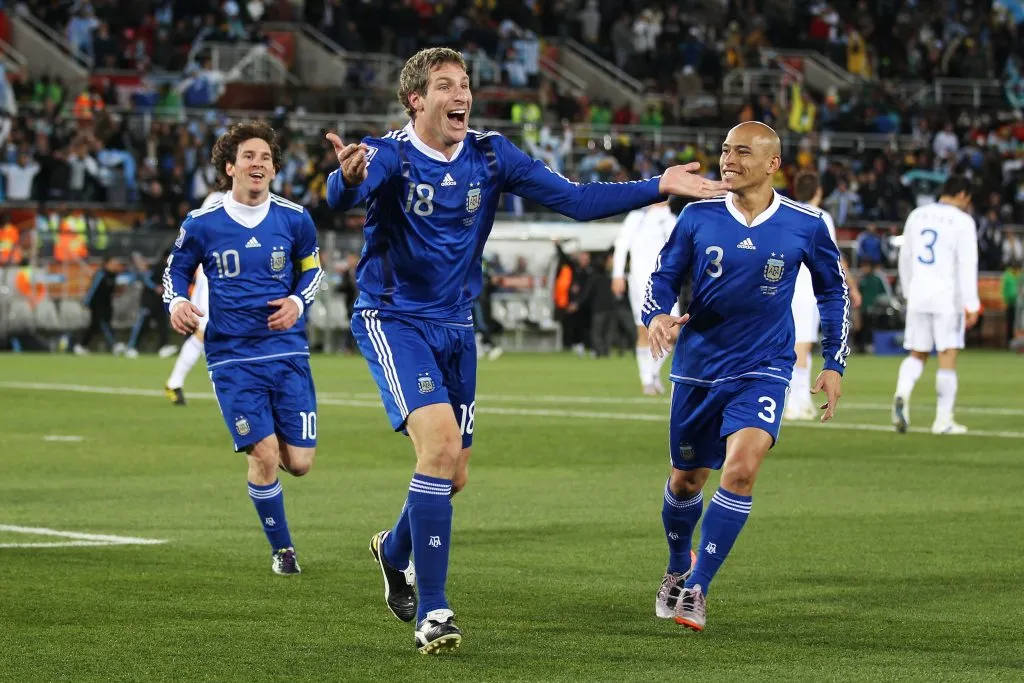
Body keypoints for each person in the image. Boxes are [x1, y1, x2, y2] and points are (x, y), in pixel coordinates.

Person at [324, 46, 730, 654]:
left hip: (457, 329)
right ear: (416, 100)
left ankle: (394, 548)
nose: (461, 94)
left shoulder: (491, 155)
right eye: (445, 85)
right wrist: (345, 178)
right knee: (436, 448)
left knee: (453, 473)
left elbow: (574, 199)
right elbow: (343, 193)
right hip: (394, 319)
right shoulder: (390, 154)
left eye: (464, 83)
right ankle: (433, 612)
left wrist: (659, 186)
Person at [644, 121, 849, 632]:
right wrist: (657, 315)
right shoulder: (697, 215)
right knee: (687, 480)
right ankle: (676, 565)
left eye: (741, 152)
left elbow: (834, 292)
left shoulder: (806, 223)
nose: (727, 159)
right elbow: (663, 276)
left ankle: (698, 587)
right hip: (698, 368)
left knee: (740, 471)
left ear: (772, 163)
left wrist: (833, 363)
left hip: (764, 368)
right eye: (724, 150)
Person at [163, 121, 324, 575]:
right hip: (232, 356)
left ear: (274, 169)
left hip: (287, 353)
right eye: (249, 156)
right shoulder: (202, 224)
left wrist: (296, 300)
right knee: (265, 454)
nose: (259, 164)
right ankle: (283, 550)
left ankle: (273, 451)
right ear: (230, 167)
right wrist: (176, 301)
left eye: (266, 158)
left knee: (301, 463)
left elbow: (313, 272)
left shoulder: (295, 219)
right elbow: (174, 272)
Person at [891, 175, 979, 435]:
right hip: (946, 297)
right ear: (963, 195)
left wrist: (908, 290)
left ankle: (902, 394)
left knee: (917, 353)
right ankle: (943, 420)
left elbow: (904, 258)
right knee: (947, 354)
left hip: (918, 292)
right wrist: (971, 303)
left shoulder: (917, 215)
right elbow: (966, 264)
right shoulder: (963, 222)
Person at [785, 171, 861, 420]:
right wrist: (851, 285)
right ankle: (798, 402)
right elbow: (834, 257)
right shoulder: (820, 216)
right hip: (808, 288)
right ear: (818, 191)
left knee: (791, 344)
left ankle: (793, 399)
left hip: (785, 287)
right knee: (802, 345)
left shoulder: (786, 212)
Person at [612, 198, 680, 394]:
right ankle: (647, 380)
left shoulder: (671, 219)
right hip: (641, 280)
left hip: (667, 283)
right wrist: (617, 275)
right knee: (645, 330)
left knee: (672, 332)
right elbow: (622, 245)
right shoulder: (637, 217)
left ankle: (652, 374)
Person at [164, 190, 224, 405]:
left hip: (231, 275)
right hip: (212, 273)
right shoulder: (218, 198)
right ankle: (175, 382)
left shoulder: (247, 196)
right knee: (205, 330)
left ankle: (175, 383)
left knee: (207, 333)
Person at [73, 256, 125, 356]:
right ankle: (115, 345)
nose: (116, 266)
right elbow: (93, 288)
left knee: (95, 326)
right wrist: (86, 302)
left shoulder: (114, 275)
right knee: (103, 322)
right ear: (107, 264)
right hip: (97, 303)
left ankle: (81, 346)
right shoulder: (101, 274)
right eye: (114, 263)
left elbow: (112, 290)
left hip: (107, 302)